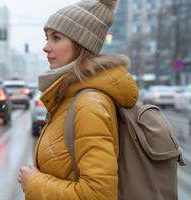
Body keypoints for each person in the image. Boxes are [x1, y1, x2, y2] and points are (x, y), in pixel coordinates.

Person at [18, 0, 139, 199]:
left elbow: (98, 194)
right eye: (47, 38)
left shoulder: (89, 105)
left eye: (56, 38)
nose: (45, 47)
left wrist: (33, 182)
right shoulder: (69, 97)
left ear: (81, 44)